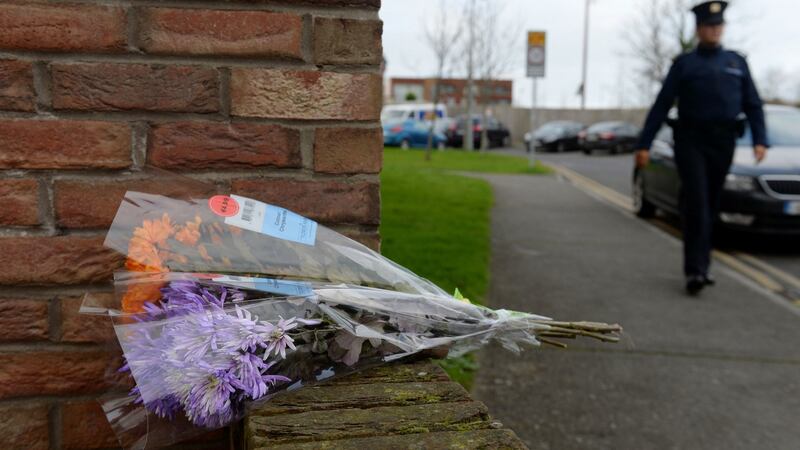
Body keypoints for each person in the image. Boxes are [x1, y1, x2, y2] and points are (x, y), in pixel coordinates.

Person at [634, 1, 768, 295]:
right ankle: (695, 270)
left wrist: (760, 139)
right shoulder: (685, 64)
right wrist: (644, 144)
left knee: (710, 203)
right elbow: (662, 105)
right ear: (699, 29)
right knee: (697, 203)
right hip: (691, 141)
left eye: (719, 26)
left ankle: (703, 265)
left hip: (723, 142)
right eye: (709, 26)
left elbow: (753, 104)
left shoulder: (737, 62)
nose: (714, 30)